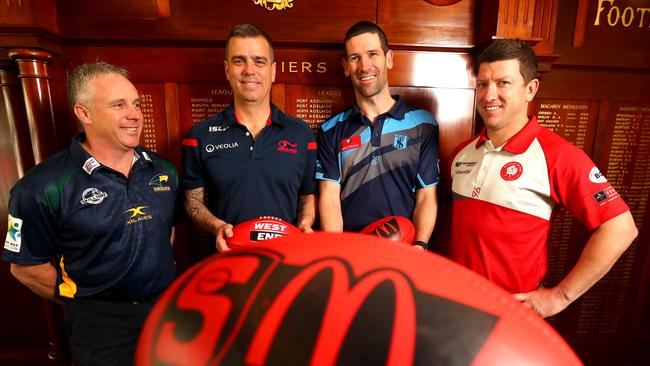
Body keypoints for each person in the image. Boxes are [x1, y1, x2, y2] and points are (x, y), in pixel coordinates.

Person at [2, 62, 180, 365]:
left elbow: (168, 231)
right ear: (84, 113)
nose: (135, 114)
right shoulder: (39, 187)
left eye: (135, 104)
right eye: (118, 105)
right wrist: (86, 302)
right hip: (101, 326)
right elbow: (26, 268)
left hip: (167, 312)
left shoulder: (163, 170)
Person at [448, 39, 638, 318]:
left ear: (530, 89)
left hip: (510, 317)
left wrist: (560, 296)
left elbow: (621, 228)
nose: (489, 95)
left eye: (503, 83)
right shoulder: (461, 153)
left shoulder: (557, 155)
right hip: (454, 307)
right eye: (482, 84)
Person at [182, 24, 317, 252]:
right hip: (227, 262)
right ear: (227, 70)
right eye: (239, 61)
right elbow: (192, 201)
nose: (249, 70)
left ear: (273, 71)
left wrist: (305, 224)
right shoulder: (199, 136)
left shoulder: (302, 134)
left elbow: (308, 195)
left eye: (259, 61)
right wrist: (217, 227)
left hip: (286, 260)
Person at [316, 21, 439, 249]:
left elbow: (426, 195)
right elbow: (329, 200)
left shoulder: (423, 124)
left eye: (373, 54)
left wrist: (419, 246)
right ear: (345, 66)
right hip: (352, 255)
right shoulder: (330, 130)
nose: (364, 66)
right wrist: (338, 252)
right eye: (355, 58)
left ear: (388, 59)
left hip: (405, 253)